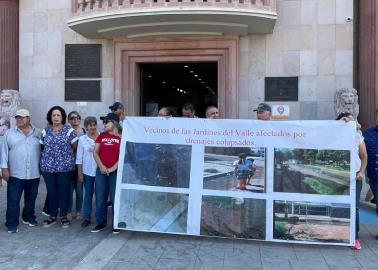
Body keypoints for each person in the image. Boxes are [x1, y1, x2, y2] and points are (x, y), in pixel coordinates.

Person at [1, 109, 41, 233]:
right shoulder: (9, 133)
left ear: (29, 119)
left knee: (31, 198)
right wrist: (4, 168)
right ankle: (11, 223)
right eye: (17, 117)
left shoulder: (38, 133)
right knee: (13, 199)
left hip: (34, 173)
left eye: (22, 117)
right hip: (15, 173)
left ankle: (28, 217)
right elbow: (3, 152)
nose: (19, 120)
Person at [40, 106, 78, 228]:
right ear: (50, 117)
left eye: (58, 115)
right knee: (51, 191)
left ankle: (63, 216)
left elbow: (74, 146)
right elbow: (42, 147)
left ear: (62, 117)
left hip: (65, 168)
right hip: (48, 168)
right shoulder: (45, 131)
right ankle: (52, 216)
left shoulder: (69, 130)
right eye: (53, 115)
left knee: (63, 191)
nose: (56, 117)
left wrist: (63, 157)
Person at [338, 112, 367, 250]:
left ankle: (354, 238)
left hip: (355, 177)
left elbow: (364, 156)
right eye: (345, 120)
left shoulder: (357, 137)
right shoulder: (334, 136)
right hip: (340, 177)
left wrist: (361, 172)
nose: (348, 122)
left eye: (350, 120)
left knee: (354, 207)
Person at [91, 112, 121, 234]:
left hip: (115, 172)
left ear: (113, 123)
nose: (104, 124)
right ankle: (101, 222)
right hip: (101, 172)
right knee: (100, 197)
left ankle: (116, 223)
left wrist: (113, 167)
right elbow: (95, 152)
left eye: (106, 121)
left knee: (115, 198)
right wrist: (102, 166)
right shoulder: (101, 136)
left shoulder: (121, 136)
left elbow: (124, 154)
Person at [76, 117, 99, 228]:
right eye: (90, 125)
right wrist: (80, 173)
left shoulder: (101, 137)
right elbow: (79, 158)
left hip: (100, 171)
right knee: (88, 194)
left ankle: (100, 217)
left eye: (94, 125)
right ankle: (87, 217)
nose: (93, 127)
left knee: (100, 196)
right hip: (87, 172)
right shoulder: (82, 139)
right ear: (86, 127)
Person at [67, 111, 86, 220]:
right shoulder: (67, 132)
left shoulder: (84, 132)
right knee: (69, 190)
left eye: (77, 117)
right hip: (69, 165)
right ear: (69, 120)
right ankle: (68, 211)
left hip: (81, 166)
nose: (75, 119)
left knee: (79, 190)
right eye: (72, 118)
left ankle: (79, 211)